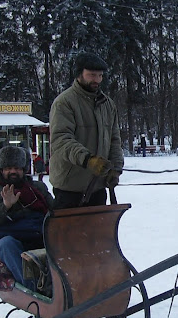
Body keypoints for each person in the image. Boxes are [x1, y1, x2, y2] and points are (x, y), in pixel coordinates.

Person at [48, 51, 124, 209]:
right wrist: (87, 159)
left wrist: (115, 169)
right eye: (91, 75)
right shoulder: (64, 103)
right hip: (69, 188)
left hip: (97, 186)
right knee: (69, 234)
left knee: (96, 234)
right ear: (79, 74)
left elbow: (114, 140)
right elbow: (61, 140)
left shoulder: (108, 104)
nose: (96, 80)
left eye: (100, 75)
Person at [0, 145, 54, 291]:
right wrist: (5, 206)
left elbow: (54, 211)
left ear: (23, 169)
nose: (13, 171)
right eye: (8, 168)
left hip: (40, 234)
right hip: (14, 239)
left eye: (17, 168)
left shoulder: (37, 188)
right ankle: (33, 292)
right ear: (1, 170)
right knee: (6, 244)